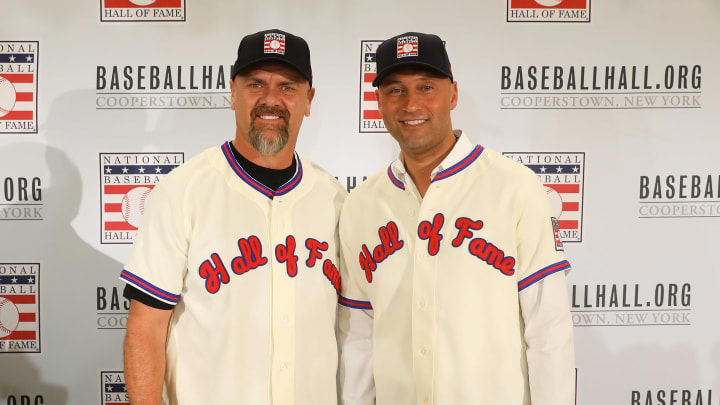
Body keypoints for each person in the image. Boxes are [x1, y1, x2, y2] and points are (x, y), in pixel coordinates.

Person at [337, 32, 575, 405]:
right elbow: (358, 336)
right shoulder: (360, 204)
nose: (411, 103)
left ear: (453, 94)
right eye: (396, 90)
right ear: (379, 101)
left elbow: (549, 327)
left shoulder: (514, 187)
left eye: (426, 87)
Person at [120, 29, 346, 405]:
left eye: (288, 87)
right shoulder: (184, 190)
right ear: (233, 92)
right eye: (256, 84)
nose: (271, 99)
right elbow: (146, 327)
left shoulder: (334, 198)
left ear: (309, 99)